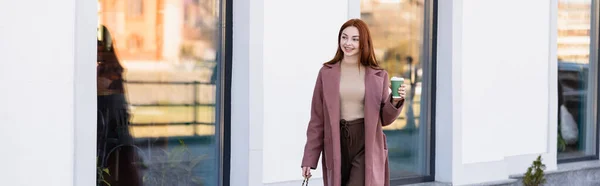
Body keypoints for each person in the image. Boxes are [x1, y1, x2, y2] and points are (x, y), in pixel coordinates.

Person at [300, 19, 406, 186]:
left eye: (355, 39)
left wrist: (395, 100)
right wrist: (309, 159)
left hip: (366, 142)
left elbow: (385, 119)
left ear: (364, 42)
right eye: (344, 37)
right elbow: (317, 120)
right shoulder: (326, 73)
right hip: (336, 140)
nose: (348, 43)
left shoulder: (378, 75)